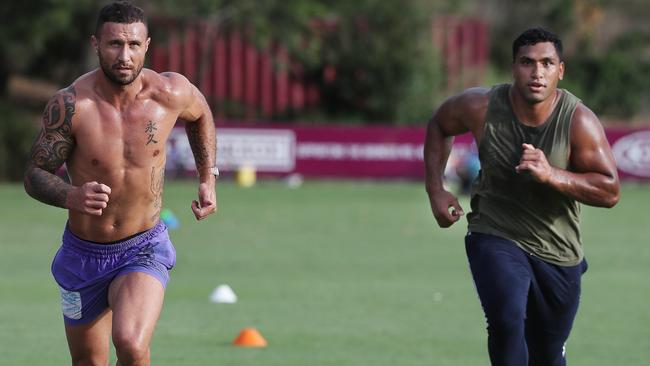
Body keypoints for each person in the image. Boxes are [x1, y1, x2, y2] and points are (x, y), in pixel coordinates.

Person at [23, 2, 218, 365]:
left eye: (133, 44)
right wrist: (72, 195)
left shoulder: (170, 93)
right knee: (88, 362)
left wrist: (208, 177)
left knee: (129, 341)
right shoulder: (71, 105)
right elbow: (34, 175)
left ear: (147, 45)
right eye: (114, 44)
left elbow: (201, 113)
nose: (124, 55)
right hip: (82, 254)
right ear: (96, 44)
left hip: (143, 245)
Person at [424, 28, 620, 366]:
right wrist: (436, 189)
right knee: (506, 321)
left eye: (547, 63)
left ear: (561, 70)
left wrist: (551, 174)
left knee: (546, 353)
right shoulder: (481, 106)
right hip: (495, 232)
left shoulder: (578, 121)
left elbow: (610, 190)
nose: (537, 72)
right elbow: (440, 124)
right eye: (527, 63)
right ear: (513, 67)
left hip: (559, 250)